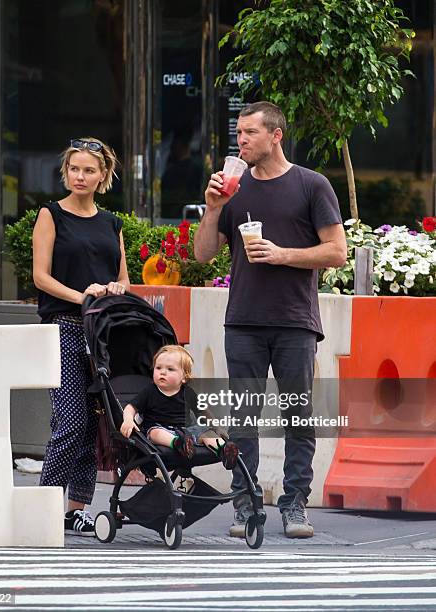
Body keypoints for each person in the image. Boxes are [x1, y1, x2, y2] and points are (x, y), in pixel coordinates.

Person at [194, 101, 347, 539]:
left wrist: (282, 255)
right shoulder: (232, 189)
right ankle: (245, 506)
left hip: (295, 319)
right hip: (242, 319)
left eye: (249, 133)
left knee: (298, 415)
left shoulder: (311, 185)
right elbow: (203, 255)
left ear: (275, 135)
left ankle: (295, 504)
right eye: (238, 133)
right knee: (243, 418)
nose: (240, 140)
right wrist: (210, 208)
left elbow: (336, 251)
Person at [33, 137, 130, 537]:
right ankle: (44, 504)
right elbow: (40, 277)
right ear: (65, 171)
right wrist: (82, 296)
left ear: (103, 175)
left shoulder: (112, 222)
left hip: (103, 334)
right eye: (74, 168)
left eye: (89, 170)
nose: (80, 176)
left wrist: (117, 289)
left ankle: (76, 509)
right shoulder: (50, 215)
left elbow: (123, 276)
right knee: (70, 421)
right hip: (64, 328)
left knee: (95, 426)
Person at [120, 345, 239, 469]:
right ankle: (178, 444)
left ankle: (224, 450)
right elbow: (131, 407)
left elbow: (203, 411)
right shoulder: (150, 391)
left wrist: (216, 428)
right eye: (158, 367)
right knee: (155, 433)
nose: (163, 372)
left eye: (170, 369)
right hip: (161, 429)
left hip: (187, 430)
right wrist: (128, 420)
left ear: (184, 377)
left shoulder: (188, 392)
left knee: (206, 432)